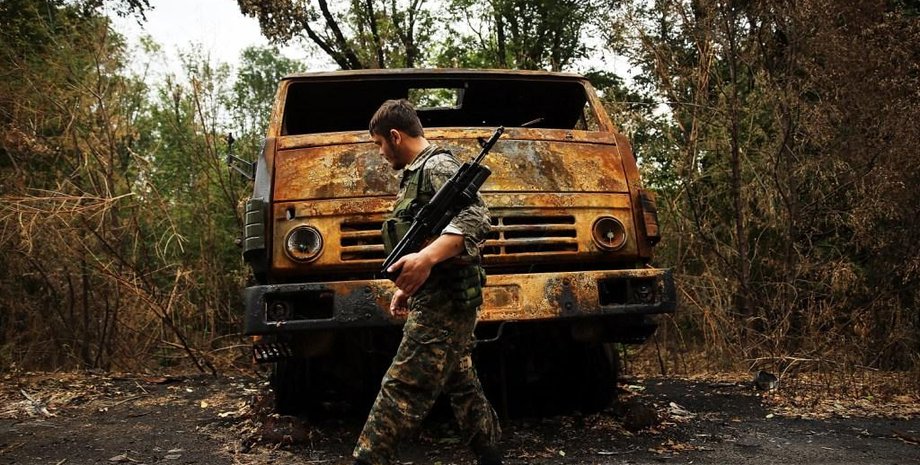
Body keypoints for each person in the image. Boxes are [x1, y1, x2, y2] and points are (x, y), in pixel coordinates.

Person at [352, 99, 503, 465]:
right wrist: (408, 283)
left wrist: (426, 259)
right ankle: (491, 455)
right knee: (460, 381)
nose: (380, 153)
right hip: (435, 293)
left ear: (394, 136)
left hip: (446, 298)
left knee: (403, 384)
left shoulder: (437, 165)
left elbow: (478, 216)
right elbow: (428, 236)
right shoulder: (415, 175)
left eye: (379, 145)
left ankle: (367, 459)